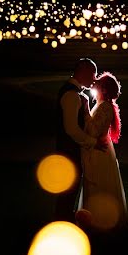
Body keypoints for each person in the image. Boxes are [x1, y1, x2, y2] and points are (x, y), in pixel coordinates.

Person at [79, 71, 128, 234]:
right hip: (98, 150)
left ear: (105, 90)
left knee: (98, 184)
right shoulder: (101, 105)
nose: (94, 83)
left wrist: (86, 110)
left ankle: (99, 224)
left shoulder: (105, 107)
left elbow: (93, 131)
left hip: (100, 154)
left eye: (98, 83)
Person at [54, 57, 100, 222]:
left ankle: (63, 222)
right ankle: (61, 225)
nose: (95, 79)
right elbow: (71, 129)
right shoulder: (71, 95)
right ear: (84, 72)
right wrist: (94, 142)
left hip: (69, 152)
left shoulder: (77, 94)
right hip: (68, 153)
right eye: (93, 74)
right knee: (67, 195)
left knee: (68, 195)